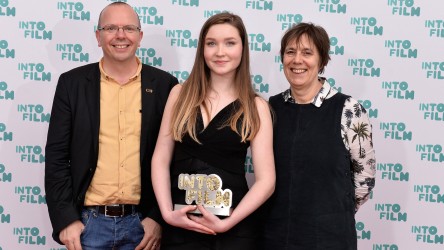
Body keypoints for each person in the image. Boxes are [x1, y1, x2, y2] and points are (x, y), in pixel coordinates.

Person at [44, 2, 178, 250]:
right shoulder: (71, 84)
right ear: (98, 36)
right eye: (110, 28)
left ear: (140, 36)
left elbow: (175, 157)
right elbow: (57, 158)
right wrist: (66, 220)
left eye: (128, 28)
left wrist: (158, 218)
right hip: (88, 226)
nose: (120, 35)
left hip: (144, 227)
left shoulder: (165, 85)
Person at [151, 13, 275, 250]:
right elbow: (160, 158)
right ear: (202, 49)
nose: (220, 52)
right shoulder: (179, 94)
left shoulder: (257, 106)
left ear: (242, 48)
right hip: (181, 227)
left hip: (234, 232)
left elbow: (266, 181)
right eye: (211, 43)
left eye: (230, 43)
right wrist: (166, 213)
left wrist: (228, 223)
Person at [261, 22, 376, 249]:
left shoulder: (349, 109)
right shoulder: (270, 108)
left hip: (329, 237)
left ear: (322, 61)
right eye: (290, 52)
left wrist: (331, 211)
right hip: (276, 236)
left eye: (307, 53)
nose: (297, 60)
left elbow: (365, 180)